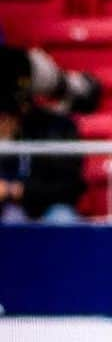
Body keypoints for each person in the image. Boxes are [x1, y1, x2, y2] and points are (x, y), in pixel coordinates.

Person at [0, 46, 86, 223]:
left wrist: (20, 190)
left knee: (63, 218)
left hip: (48, 207)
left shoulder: (59, 127)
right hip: (7, 213)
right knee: (12, 219)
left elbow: (71, 187)